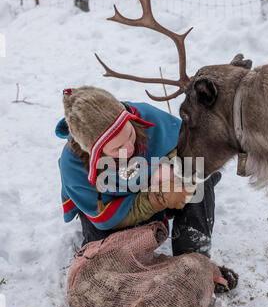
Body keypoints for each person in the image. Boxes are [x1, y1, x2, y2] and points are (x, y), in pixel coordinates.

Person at [55, 85, 222, 258]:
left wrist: (170, 165)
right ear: (95, 151)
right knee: (103, 257)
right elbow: (105, 218)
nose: (128, 148)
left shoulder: (145, 115)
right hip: (116, 212)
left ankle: (193, 259)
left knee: (196, 175)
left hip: (156, 188)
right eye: (117, 148)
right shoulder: (73, 165)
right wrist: (154, 198)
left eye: (130, 135)